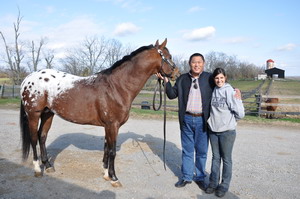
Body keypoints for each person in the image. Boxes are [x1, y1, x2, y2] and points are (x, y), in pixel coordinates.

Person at [156, 53, 214, 190]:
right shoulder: (182, 79)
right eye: (194, 62)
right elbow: (171, 95)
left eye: (199, 62)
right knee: (187, 150)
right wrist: (165, 81)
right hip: (186, 119)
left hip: (203, 120)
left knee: (201, 151)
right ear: (190, 64)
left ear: (203, 64)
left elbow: (221, 85)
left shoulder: (209, 78)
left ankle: (200, 177)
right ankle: (187, 176)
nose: (197, 65)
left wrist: (234, 91)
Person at [206, 67, 245, 198]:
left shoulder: (229, 91)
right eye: (217, 78)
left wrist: (231, 122)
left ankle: (224, 185)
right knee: (215, 158)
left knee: (226, 159)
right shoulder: (214, 90)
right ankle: (213, 183)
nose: (219, 80)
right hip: (213, 130)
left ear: (225, 78)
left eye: (221, 78)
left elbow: (240, 113)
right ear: (214, 79)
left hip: (227, 132)